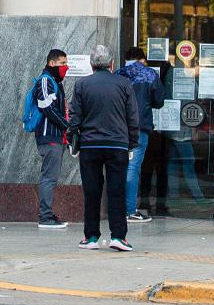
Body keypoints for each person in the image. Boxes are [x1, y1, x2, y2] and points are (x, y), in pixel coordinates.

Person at [69, 45, 139, 252]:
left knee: (92, 192)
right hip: (117, 145)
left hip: (90, 145)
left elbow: (75, 117)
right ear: (112, 64)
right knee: (116, 191)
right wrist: (132, 143)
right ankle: (118, 236)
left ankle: (91, 236)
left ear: (92, 65)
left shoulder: (82, 84)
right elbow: (132, 117)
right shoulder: (124, 84)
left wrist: (74, 140)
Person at [116, 47, 164, 223]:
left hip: (117, 128)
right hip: (139, 127)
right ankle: (129, 210)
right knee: (133, 167)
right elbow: (159, 101)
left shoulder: (117, 74)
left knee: (119, 167)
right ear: (142, 59)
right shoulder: (149, 74)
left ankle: (117, 208)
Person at [32, 49, 70, 229]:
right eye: (62, 63)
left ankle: (47, 214)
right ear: (52, 63)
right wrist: (66, 125)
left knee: (51, 177)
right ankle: (45, 216)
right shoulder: (46, 81)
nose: (65, 67)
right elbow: (47, 107)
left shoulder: (54, 81)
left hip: (56, 137)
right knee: (49, 178)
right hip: (50, 137)